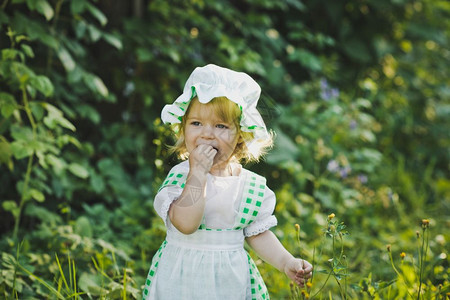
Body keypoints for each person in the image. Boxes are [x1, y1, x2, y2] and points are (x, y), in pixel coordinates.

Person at [143, 64, 312, 299]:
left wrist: (286, 261)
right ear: (183, 128)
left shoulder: (249, 186)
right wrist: (198, 174)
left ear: (241, 135)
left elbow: (257, 233)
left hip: (228, 283)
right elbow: (185, 224)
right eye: (196, 123)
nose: (207, 134)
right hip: (182, 280)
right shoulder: (183, 176)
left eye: (220, 126)